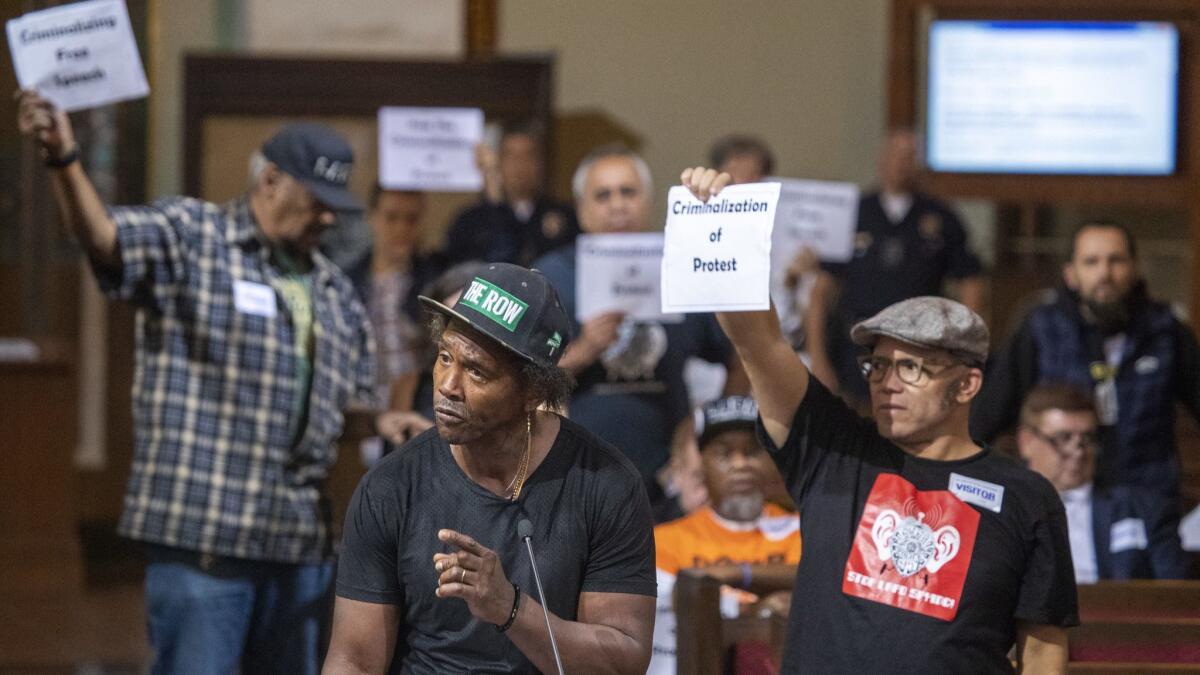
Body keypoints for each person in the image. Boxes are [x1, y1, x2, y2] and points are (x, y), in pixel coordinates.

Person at [17, 90, 375, 674]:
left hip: (298, 549)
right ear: (271, 181)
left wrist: (384, 420)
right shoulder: (193, 235)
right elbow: (105, 239)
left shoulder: (335, 291)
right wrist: (64, 159)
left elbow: (348, 407)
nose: (330, 217)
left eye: (338, 204)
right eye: (318, 200)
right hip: (206, 539)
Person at [679, 166, 1077, 673]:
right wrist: (727, 228)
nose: (887, 381)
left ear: (967, 384)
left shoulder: (1025, 496)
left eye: (912, 367)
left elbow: (1043, 646)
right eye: (879, 365)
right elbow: (759, 341)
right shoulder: (832, 448)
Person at [324, 263, 656, 674]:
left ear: (533, 391)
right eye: (445, 357)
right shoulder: (390, 487)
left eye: (476, 371)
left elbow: (623, 663)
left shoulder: (606, 485)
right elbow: (353, 660)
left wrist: (510, 608)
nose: (447, 385)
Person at [533, 144, 744, 496]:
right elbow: (523, 379)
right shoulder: (550, 277)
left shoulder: (682, 268)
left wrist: (707, 431)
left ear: (648, 201)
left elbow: (740, 359)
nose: (617, 204)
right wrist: (586, 349)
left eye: (628, 192)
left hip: (666, 481)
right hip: (572, 478)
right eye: (603, 195)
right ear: (582, 211)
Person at [974, 219, 1200, 497]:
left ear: (1135, 267)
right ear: (1071, 274)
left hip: (1147, 499)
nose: (1105, 273)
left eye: (1116, 260)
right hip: (1059, 495)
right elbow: (988, 415)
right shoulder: (1041, 328)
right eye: (1091, 262)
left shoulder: (1166, 330)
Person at [807, 129, 985, 403]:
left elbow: (970, 282)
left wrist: (964, 348)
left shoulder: (940, 216)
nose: (902, 163)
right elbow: (821, 292)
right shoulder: (856, 212)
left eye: (909, 156)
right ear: (881, 159)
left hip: (922, 346)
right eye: (895, 155)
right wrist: (818, 358)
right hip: (857, 344)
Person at [649, 395, 801, 675]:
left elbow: (816, 583)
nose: (740, 464)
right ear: (702, 465)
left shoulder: (801, 530)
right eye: (724, 453)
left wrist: (732, 575)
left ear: (771, 461)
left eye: (753, 451)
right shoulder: (664, 541)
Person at [1016, 384, 1191, 582]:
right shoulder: (1005, 508)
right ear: (1026, 441)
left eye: (1087, 438)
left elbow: (1176, 594)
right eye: (1063, 438)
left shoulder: (1142, 508)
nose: (1078, 451)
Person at [442, 122, 579, 267]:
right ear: (498, 162)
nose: (520, 165)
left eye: (528, 155)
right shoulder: (469, 221)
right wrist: (496, 203)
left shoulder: (565, 216)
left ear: (540, 163)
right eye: (511, 156)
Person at [358, 186, 444, 410]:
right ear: (372, 217)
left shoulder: (436, 280)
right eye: (391, 217)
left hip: (421, 410)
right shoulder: (347, 282)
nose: (401, 228)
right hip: (362, 412)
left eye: (411, 219)